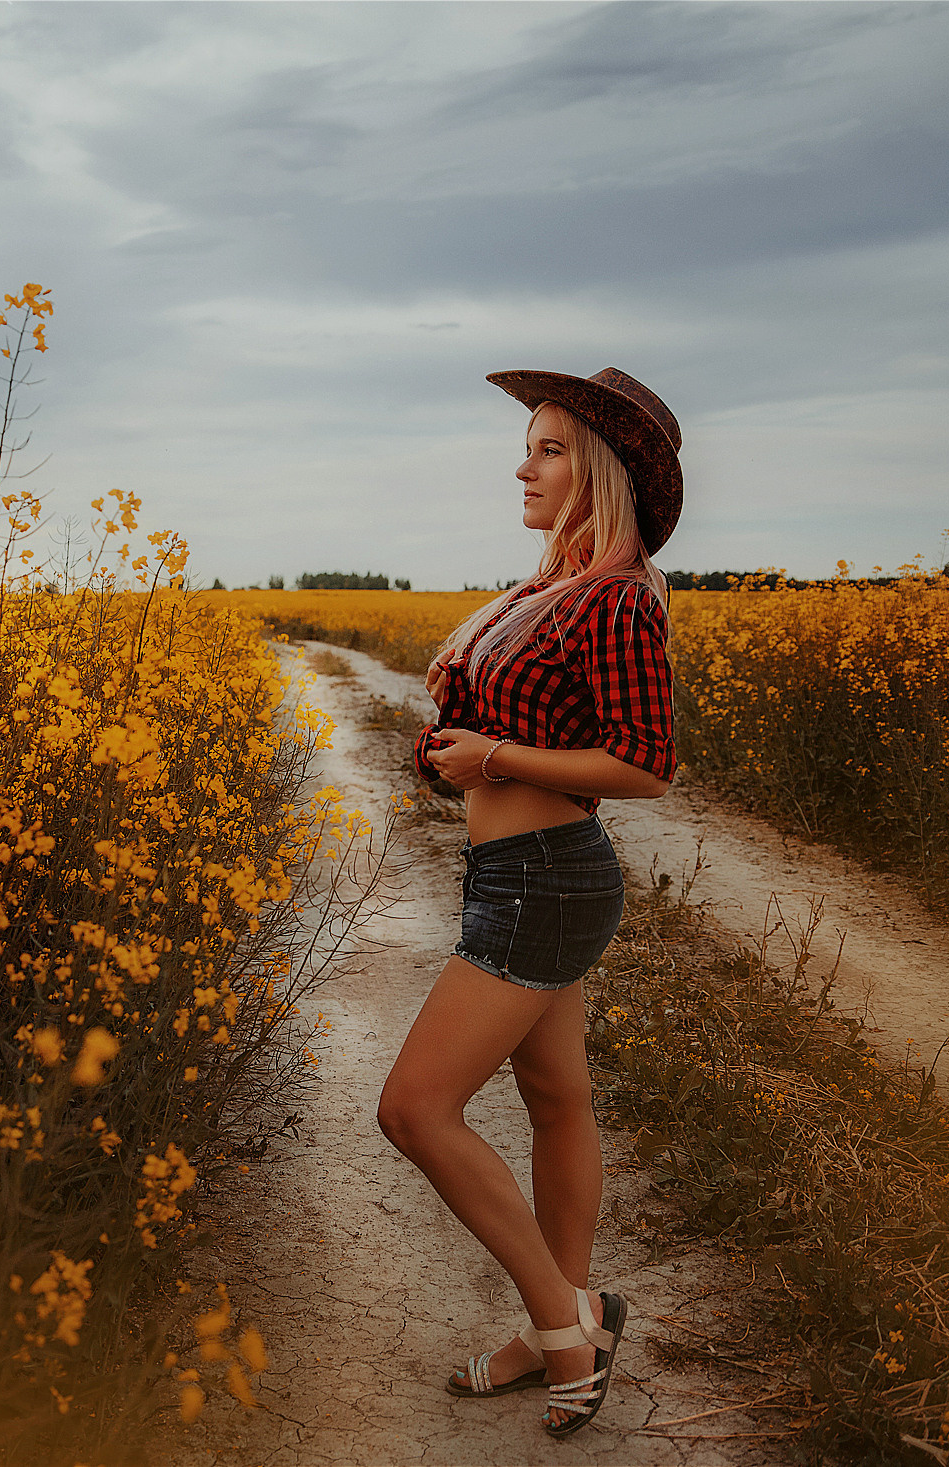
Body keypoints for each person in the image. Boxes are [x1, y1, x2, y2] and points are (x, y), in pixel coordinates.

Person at [376, 366, 683, 1439]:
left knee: (413, 1110)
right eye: (529, 445)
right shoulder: (536, 595)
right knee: (558, 1104)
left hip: (546, 879)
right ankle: (571, 1311)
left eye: (550, 448)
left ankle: (563, 1322)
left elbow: (646, 766)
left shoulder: (614, 599)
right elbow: (475, 745)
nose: (524, 464)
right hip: (519, 873)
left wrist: (495, 752)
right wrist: (453, 752)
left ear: (595, 468)